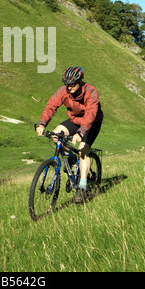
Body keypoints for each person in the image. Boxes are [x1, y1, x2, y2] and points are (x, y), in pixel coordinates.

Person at [36, 66, 103, 203]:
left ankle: (82, 188)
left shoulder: (91, 91)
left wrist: (81, 133)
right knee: (55, 135)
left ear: (80, 81)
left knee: (83, 150)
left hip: (92, 122)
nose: (69, 87)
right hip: (74, 120)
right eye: (66, 84)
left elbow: (90, 114)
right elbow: (51, 106)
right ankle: (70, 158)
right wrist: (42, 124)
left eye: (72, 84)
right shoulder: (63, 91)